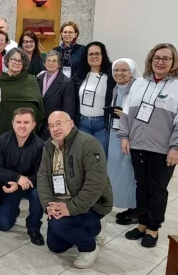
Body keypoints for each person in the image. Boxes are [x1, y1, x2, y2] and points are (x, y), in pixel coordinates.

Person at [119, 43, 178, 248]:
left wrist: (175, 147)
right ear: (150, 60)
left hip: (163, 149)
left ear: (173, 62)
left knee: (157, 188)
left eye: (166, 58)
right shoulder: (140, 83)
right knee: (141, 186)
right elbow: (126, 113)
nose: (160, 62)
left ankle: (153, 228)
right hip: (138, 144)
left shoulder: (176, 85)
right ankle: (142, 223)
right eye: (157, 58)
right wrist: (124, 136)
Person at [37, 111, 113, 269]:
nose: (55, 129)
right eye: (51, 126)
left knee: (59, 225)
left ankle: (90, 248)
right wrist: (49, 204)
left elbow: (95, 183)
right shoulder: (48, 146)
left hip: (91, 204)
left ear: (71, 123)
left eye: (59, 123)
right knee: (55, 246)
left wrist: (70, 208)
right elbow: (42, 177)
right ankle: (90, 228)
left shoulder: (88, 144)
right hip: (61, 200)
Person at [0, 107, 44, 245]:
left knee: (40, 193)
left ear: (33, 125)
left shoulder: (40, 145)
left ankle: (34, 228)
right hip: (9, 186)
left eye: (26, 122)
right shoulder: (1, 142)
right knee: (4, 225)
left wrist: (24, 182)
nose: (22, 126)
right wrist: (17, 178)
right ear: (12, 123)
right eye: (18, 122)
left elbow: (42, 173)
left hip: (31, 185)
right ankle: (13, 210)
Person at [107, 58, 141, 225]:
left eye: (124, 70)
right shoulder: (115, 87)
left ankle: (136, 209)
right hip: (115, 133)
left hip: (130, 136)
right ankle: (126, 205)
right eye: (116, 70)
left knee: (130, 173)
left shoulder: (137, 88)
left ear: (131, 72)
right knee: (117, 172)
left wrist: (125, 116)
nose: (119, 73)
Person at [73, 41, 115, 156]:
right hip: (82, 123)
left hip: (102, 125)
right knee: (84, 157)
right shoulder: (80, 74)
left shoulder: (111, 75)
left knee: (100, 158)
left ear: (103, 55)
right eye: (90, 54)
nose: (94, 57)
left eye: (97, 54)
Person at [0, 48, 44, 136]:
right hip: (3, 128)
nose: (16, 63)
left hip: (27, 130)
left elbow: (39, 105)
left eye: (20, 61)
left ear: (24, 64)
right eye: (14, 59)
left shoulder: (31, 80)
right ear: (8, 60)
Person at [37, 50, 76, 140]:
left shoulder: (66, 82)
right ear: (44, 63)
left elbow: (68, 110)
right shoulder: (38, 79)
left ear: (59, 64)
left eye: (54, 61)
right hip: (39, 127)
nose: (51, 63)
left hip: (55, 128)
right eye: (48, 61)